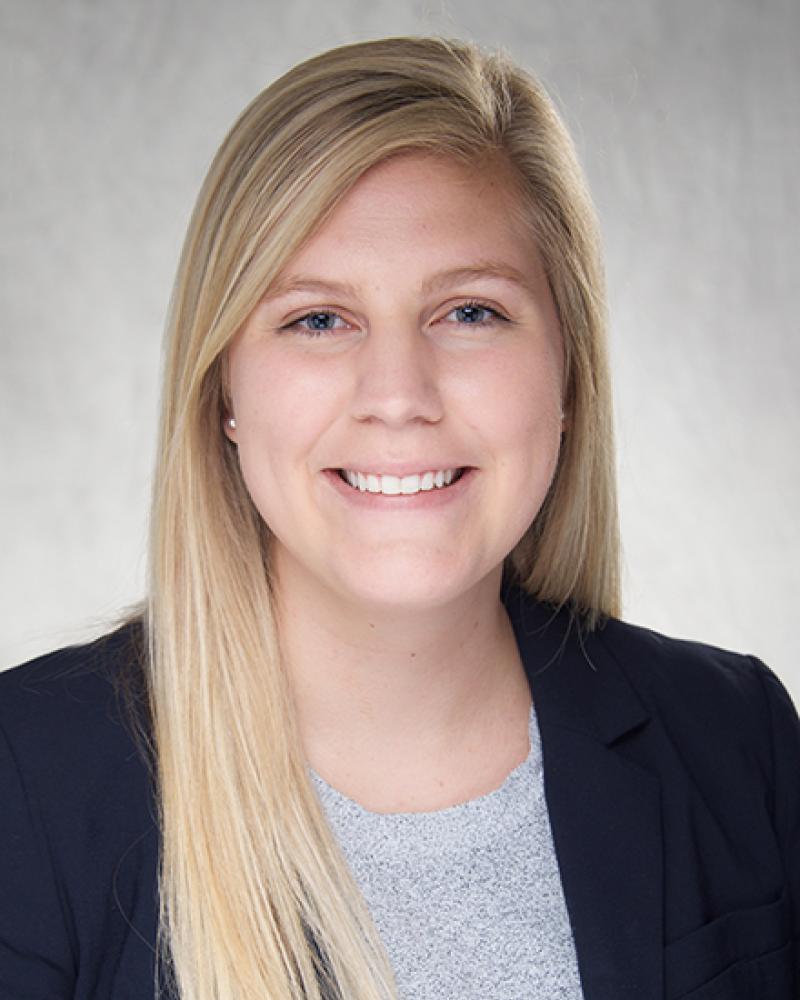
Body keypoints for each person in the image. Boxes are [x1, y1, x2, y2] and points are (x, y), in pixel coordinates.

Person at [0, 35, 797, 1000]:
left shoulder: (735, 736)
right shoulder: (27, 779)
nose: (398, 395)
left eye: (470, 312)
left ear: (568, 374)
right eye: (318, 320)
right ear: (224, 396)